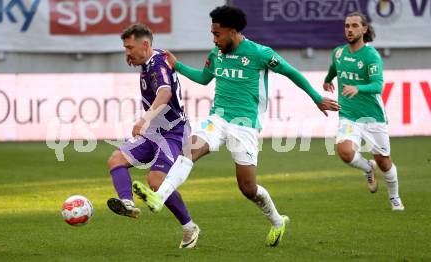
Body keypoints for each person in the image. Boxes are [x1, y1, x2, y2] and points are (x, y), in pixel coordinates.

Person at [132, 5, 340, 247]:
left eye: (217, 34)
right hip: (217, 119)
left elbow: (292, 72)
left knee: (248, 187)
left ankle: (277, 221)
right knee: (189, 149)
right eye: (212, 33)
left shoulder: (260, 53)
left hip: (245, 125)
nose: (214, 38)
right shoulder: (217, 53)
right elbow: (204, 78)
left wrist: (316, 98)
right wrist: (177, 66)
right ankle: (159, 197)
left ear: (233, 31)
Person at [106, 23, 200, 249]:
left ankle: (189, 228)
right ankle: (127, 203)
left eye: (130, 48)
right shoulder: (149, 61)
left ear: (145, 44)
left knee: (156, 182)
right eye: (125, 48)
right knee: (116, 160)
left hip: (173, 131)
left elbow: (165, 92)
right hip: (154, 132)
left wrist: (144, 119)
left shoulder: (158, 64)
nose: (127, 53)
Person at [323, 12, 404, 211]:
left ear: (364, 29)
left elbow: (378, 85)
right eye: (346, 26)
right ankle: (367, 168)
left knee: (384, 163)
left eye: (354, 26)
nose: (349, 29)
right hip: (349, 114)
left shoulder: (371, 56)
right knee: (344, 152)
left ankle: (394, 197)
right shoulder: (339, 52)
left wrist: (359, 88)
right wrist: (327, 79)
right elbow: (335, 67)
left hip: (373, 116)